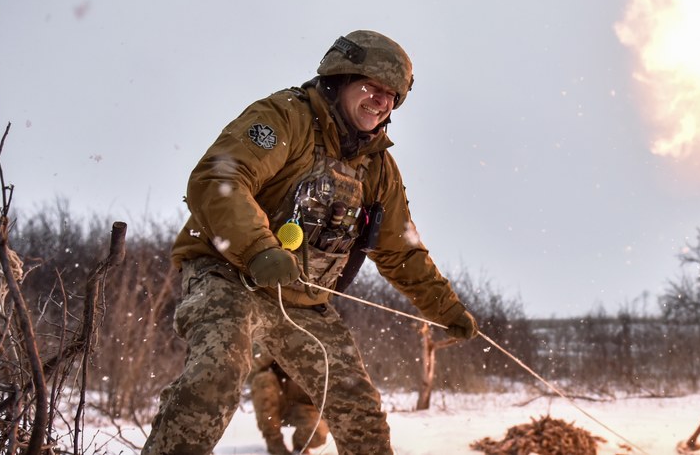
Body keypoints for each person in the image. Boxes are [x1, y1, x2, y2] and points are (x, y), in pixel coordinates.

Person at [142, 30, 479, 455]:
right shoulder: (285, 117)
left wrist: (445, 309)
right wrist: (260, 248)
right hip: (229, 274)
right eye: (371, 87)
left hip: (302, 302)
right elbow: (219, 179)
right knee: (216, 375)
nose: (380, 101)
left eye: (391, 95)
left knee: (359, 410)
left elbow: (401, 249)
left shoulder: (379, 167)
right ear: (340, 79)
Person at [249, 347, 329, 455]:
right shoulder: (275, 338)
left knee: (318, 433)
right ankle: (275, 444)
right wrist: (270, 350)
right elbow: (250, 371)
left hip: (304, 407)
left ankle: (300, 445)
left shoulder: (318, 342)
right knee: (263, 379)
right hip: (278, 402)